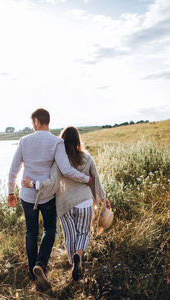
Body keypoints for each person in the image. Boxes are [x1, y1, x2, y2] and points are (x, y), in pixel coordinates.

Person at [7, 109, 93, 291]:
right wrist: (86, 179)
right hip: (47, 196)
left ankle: (33, 274)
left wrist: (10, 192)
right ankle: (41, 264)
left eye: (33, 123)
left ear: (37, 121)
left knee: (31, 232)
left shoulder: (24, 141)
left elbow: (13, 169)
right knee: (50, 229)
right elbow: (66, 169)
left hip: (28, 196)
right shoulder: (57, 142)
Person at [23, 126, 111, 281]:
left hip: (65, 205)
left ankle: (73, 265)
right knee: (84, 233)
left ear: (62, 141)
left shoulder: (58, 162)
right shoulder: (87, 158)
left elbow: (51, 183)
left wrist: (33, 184)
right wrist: (103, 199)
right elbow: (95, 180)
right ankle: (79, 255)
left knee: (70, 237)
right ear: (78, 140)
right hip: (85, 202)